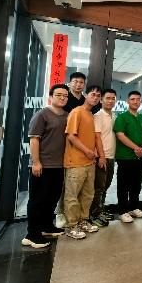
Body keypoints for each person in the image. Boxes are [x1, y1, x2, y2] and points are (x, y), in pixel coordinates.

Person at [22, 84, 69, 248]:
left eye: (65, 95)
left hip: (59, 165)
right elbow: (34, 139)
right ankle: (32, 234)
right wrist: (36, 162)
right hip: (42, 165)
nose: (62, 98)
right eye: (58, 95)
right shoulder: (42, 115)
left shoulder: (67, 116)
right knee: (38, 200)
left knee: (52, 197)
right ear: (51, 97)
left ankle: (47, 226)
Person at [63, 85, 102, 239]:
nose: (95, 97)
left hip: (89, 162)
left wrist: (94, 152)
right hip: (75, 161)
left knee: (87, 195)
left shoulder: (91, 115)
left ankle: (83, 221)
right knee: (72, 196)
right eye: (93, 94)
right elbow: (71, 136)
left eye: (98, 96)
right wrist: (87, 150)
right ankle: (71, 226)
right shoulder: (77, 111)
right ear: (86, 95)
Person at [57, 71, 87, 228]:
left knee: (77, 185)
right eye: (75, 81)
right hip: (64, 142)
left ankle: (78, 215)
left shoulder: (85, 101)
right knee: (64, 183)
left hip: (81, 146)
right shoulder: (65, 99)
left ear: (84, 85)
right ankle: (60, 213)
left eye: (81, 82)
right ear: (69, 83)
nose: (78, 84)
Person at [113, 91, 142, 223]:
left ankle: (134, 207)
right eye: (132, 99)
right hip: (125, 157)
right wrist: (136, 148)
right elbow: (120, 135)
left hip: (139, 157)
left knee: (137, 184)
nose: (135, 101)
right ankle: (122, 211)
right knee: (123, 185)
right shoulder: (122, 117)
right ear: (127, 101)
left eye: (138, 99)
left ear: (141, 102)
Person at [89, 88, 117, 227]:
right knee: (98, 187)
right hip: (102, 157)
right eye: (107, 98)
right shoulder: (98, 116)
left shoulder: (114, 116)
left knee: (105, 186)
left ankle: (101, 210)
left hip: (111, 156)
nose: (110, 101)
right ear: (101, 100)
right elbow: (97, 137)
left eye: (113, 98)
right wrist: (101, 157)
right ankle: (94, 214)